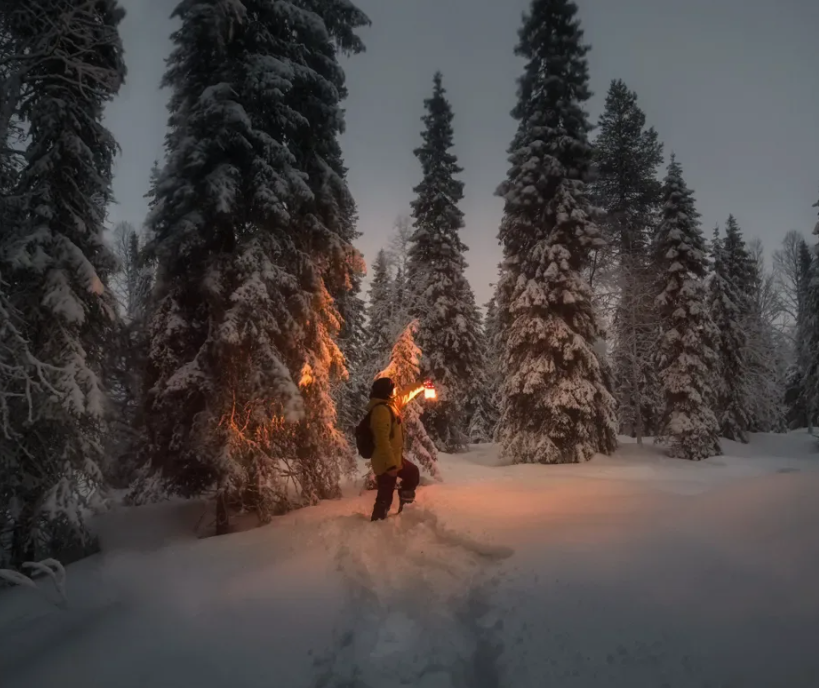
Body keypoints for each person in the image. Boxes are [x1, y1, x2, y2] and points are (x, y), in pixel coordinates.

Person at [367, 376, 426, 521]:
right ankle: (377, 523)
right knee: (385, 495)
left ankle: (406, 508)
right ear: (386, 391)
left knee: (412, 473)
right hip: (386, 461)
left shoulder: (390, 405)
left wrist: (421, 385)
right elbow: (382, 441)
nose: (395, 391)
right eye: (392, 388)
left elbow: (404, 395)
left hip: (394, 458)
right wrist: (391, 465)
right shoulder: (381, 411)